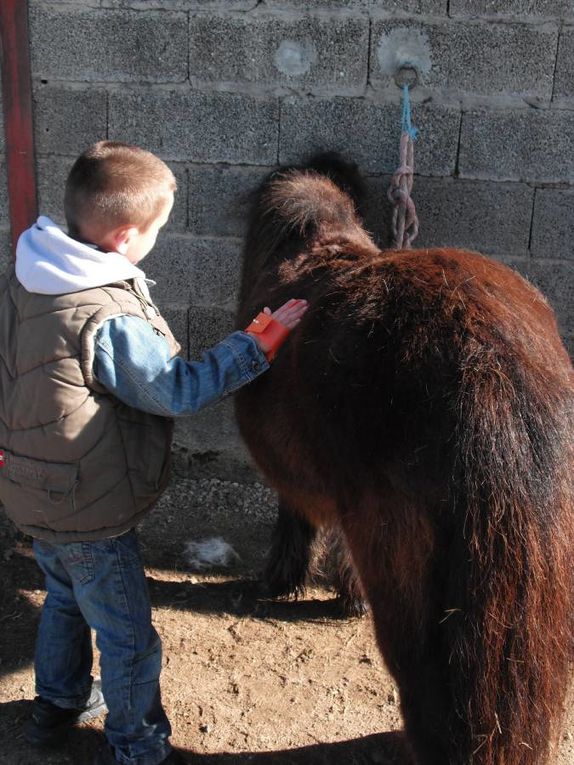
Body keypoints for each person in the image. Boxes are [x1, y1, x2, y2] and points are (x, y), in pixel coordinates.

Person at [0, 140, 308, 765]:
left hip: (33, 485)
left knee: (63, 596)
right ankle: (139, 745)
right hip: (88, 503)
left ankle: (56, 707)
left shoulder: (32, 272)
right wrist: (257, 343)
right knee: (128, 637)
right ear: (123, 237)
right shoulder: (104, 314)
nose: (159, 240)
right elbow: (175, 390)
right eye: (158, 230)